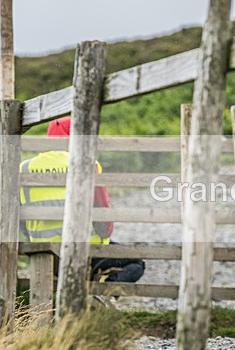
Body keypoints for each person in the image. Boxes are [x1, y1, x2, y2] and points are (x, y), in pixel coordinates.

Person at [20, 117, 145, 284]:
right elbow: (103, 214)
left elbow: (20, 217)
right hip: (86, 251)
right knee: (136, 262)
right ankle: (101, 295)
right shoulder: (88, 164)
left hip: (43, 251)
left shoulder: (25, 167)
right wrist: (104, 237)